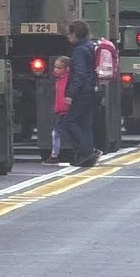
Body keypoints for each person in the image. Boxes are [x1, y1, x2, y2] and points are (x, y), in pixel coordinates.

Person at [65, 20, 101, 167]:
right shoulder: (90, 46)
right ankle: (87, 154)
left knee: (70, 121)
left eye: (69, 33)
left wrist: (70, 94)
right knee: (85, 123)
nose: (68, 36)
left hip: (82, 92)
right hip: (92, 89)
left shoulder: (79, 50)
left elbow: (79, 74)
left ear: (74, 34)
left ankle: (85, 152)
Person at [44, 56, 72, 166]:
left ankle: (54, 156)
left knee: (56, 133)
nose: (55, 70)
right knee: (60, 133)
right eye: (55, 67)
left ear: (67, 69)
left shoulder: (68, 80)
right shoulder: (59, 80)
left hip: (67, 111)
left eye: (59, 68)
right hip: (62, 111)